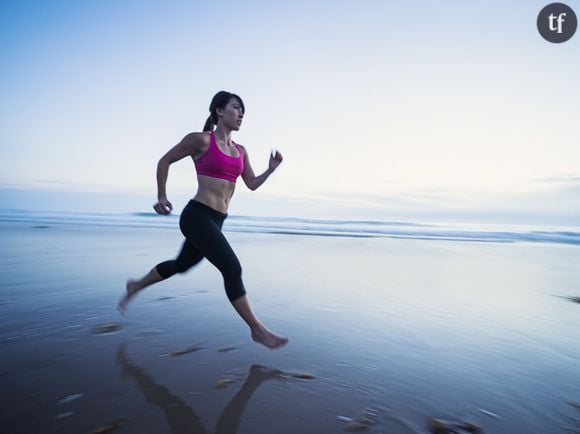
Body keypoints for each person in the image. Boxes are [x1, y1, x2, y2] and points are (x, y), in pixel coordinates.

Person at [118, 91, 288, 350]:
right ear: (219, 111)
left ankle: (136, 285)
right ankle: (257, 329)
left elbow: (251, 184)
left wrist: (271, 170)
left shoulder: (241, 151)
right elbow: (165, 160)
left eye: (243, 111)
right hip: (196, 216)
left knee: (181, 265)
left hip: (218, 220)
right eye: (236, 108)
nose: (241, 114)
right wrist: (161, 196)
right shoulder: (201, 140)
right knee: (232, 268)